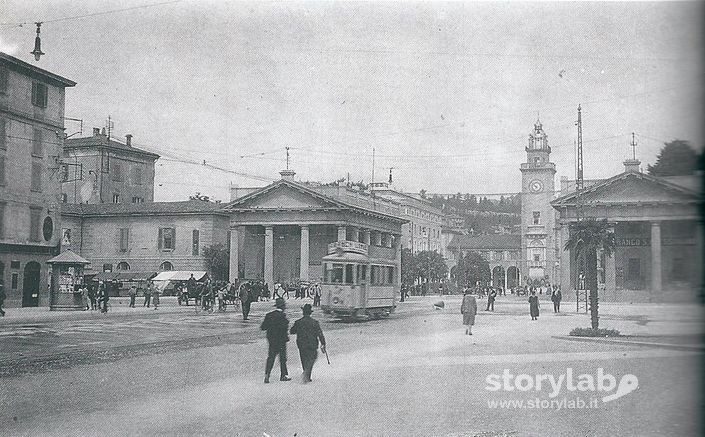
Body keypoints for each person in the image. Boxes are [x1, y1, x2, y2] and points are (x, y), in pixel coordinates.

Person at [290, 303, 326, 383]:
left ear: (303, 312)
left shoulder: (298, 322)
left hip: (301, 344)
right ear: (310, 313)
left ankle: (307, 374)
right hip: (312, 344)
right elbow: (320, 334)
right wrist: (323, 343)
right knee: (312, 358)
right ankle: (307, 374)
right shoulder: (315, 322)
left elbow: (292, 331)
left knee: (304, 359)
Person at [260, 298, 291, 383]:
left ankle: (267, 374)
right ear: (283, 306)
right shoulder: (283, 316)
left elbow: (263, 327)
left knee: (271, 357)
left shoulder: (269, 315)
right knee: (283, 359)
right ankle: (283, 375)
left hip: (272, 340)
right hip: (281, 341)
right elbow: (285, 328)